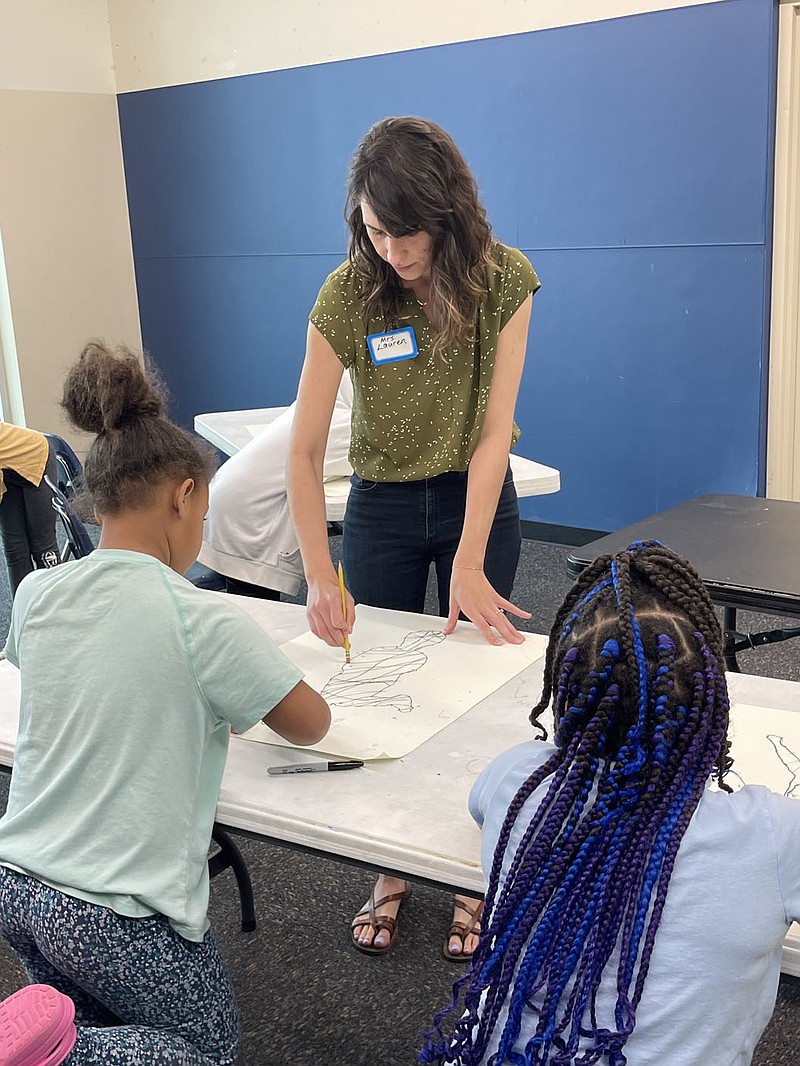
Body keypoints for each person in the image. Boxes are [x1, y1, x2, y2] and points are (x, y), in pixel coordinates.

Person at [0, 342, 330, 1065]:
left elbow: (87, 669)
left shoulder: (36, 593)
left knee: (78, 1021)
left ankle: (57, 1049)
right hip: (114, 911)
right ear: (183, 495)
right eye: (204, 514)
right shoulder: (201, 617)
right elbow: (310, 724)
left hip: (19, 885)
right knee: (202, 1050)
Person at [287, 116, 539, 959]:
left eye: (408, 230)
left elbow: (495, 427)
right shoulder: (347, 293)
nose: (392, 248)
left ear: (449, 214)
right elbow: (305, 442)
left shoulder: (502, 280)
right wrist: (320, 574)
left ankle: (472, 869)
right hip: (383, 506)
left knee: (479, 679)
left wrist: (470, 558)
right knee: (381, 687)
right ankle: (390, 868)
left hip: (476, 493)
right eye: (375, 229)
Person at [420, 541, 800, 1065]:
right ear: (710, 699)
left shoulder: (516, 778)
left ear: (566, 693)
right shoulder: (775, 835)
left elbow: (480, 807)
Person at [199, 375, 353, 598]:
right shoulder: (340, 422)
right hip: (248, 524)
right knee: (262, 619)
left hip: (228, 507)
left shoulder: (322, 399)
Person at [0, 422, 59, 595]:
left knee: (43, 546)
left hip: (36, 456)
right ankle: (24, 615)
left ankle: (57, 611)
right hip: (9, 471)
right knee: (14, 549)